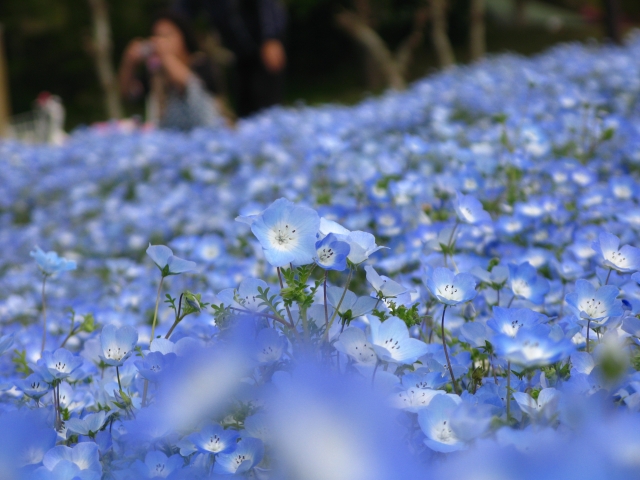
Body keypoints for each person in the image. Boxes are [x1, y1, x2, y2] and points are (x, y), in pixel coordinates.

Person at [173, 0, 287, 118]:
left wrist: (271, 37)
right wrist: (170, 34)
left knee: (267, 104)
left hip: (264, 45)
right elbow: (181, 12)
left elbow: (266, 4)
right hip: (239, 52)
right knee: (245, 106)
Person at [118, 11, 226, 131]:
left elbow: (189, 84)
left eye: (167, 36)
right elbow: (128, 94)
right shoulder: (157, 73)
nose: (160, 41)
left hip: (208, 135)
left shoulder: (201, 62)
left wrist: (165, 56)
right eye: (157, 36)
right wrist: (129, 63)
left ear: (183, 37)